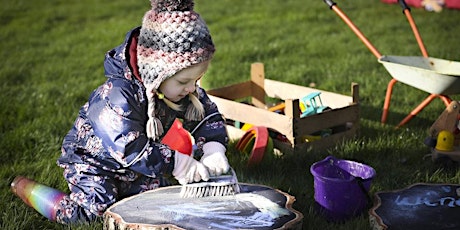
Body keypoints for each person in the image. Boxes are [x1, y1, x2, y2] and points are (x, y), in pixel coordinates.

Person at [11, 0, 230, 224]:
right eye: (185, 80)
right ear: (156, 73)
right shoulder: (117, 96)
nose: (192, 88)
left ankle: (131, 190)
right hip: (95, 164)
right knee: (96, 212)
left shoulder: (179, 91)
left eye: (196, 79)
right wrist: (178, 163)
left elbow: (207, 116)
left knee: (155, 203)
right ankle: (29, 190)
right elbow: (129, 146)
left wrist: (213, 148)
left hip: (136, 167)